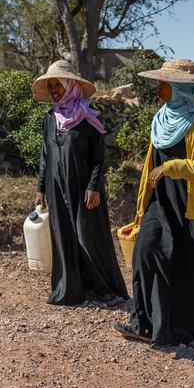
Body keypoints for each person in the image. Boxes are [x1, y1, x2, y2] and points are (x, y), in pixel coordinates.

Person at [113, 59, 194, 346]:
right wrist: (141, 208)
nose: (157, 89)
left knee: (191, 267)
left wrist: (173, 167)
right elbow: (151, 166)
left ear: (179, 88)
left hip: (192, 206)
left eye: (162, 84)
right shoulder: (161, 119)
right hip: (161, 203)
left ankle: (188, 330)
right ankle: (143, 322)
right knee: (145, 251)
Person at [33, 60, 128, 306]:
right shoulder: (49, 119)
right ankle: (70, 290)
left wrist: (94, 186)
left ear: (71, 85)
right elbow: (45, 155)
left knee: (87, 237)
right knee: (63, 236)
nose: (53, 89)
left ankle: (104, 289)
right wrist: (40, 188)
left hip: (84, 190)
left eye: (58, 84)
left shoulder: (88, 118)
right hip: (56, 189)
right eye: (50, 84)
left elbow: (99, 158)